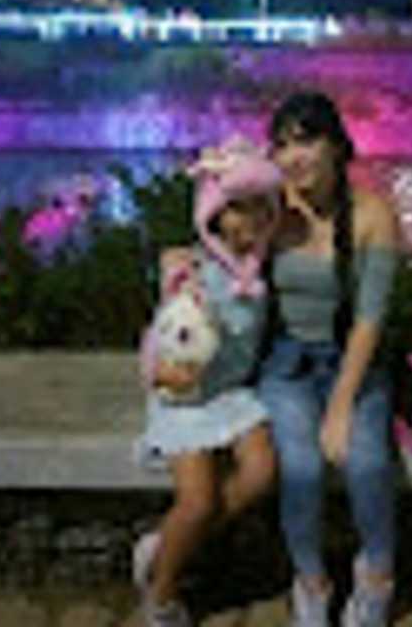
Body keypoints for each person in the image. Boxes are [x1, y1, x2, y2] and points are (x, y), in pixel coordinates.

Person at [258, 91, 398, 627]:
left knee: (367, 462)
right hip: (286, 365)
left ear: (337, 146)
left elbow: (369, 319)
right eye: (282, 145)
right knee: (301, 467)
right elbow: (217, 234)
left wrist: (341, 407)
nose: (293, 158)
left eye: (306, 141)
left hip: (354, 362)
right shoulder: (271, 208)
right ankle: (311, 581)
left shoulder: (371, 214)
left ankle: (378, 574)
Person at [133, 136, 282, 627]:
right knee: (198, 502)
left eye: (260, 208)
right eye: (236, 210)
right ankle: (161, 592)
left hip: (232, 394)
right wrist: (159, 371)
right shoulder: (191, 274)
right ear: (213, 215)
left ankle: (167, 544)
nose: (249, 221)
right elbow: (163, 337)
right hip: (187, 399)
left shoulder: (258, 266)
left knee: (260, 474)